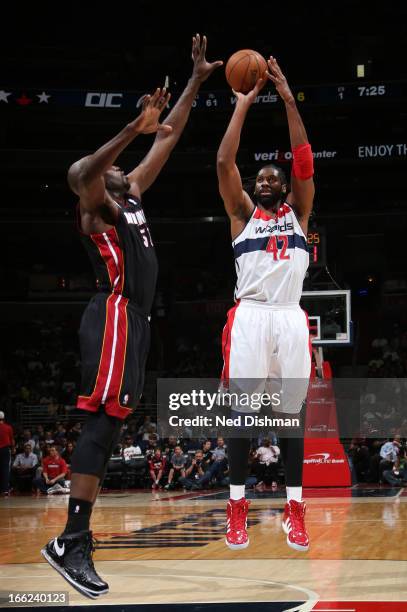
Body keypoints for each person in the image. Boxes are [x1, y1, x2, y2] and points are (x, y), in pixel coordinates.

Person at [41, 34, 222, 599]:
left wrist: (194, 81)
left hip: (138, 322)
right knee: (101, 422)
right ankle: (72, 538)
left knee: (114, 422)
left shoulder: (135, 192)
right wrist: (130, 129)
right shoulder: (95, 207)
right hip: (114, 310)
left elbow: (172, 136)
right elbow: (80, 171)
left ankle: (72, 538)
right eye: (119, 164)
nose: (128, 168)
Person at [217, 56, 314, 552]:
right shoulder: (241, 215)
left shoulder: (298, 212)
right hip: (251, 316)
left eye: (274, 178)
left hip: (291, 317)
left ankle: (295, 509)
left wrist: (289, 98)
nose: (267, 181)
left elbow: (303, 159)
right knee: (242, 416)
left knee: (291, 416)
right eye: (261, 178)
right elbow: (223, 163)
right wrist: (243, 105)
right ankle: (238, 506)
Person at [0, 411, 14, 496]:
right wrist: (13, 449)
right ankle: (5, 489)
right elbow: (12, 439)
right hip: (5, 450)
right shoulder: (8, 427)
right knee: (5, 469)